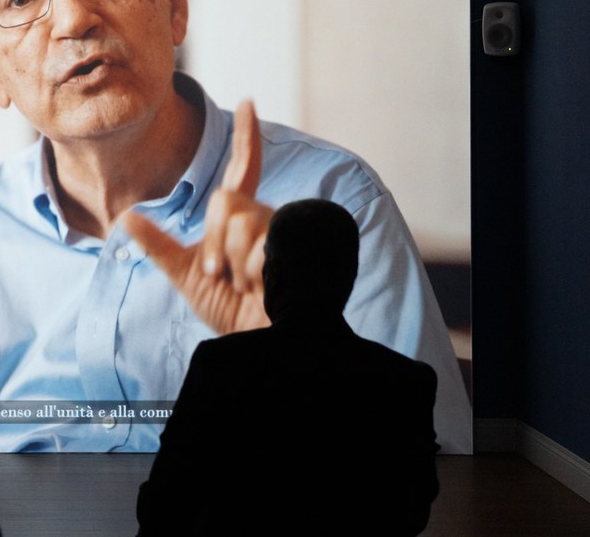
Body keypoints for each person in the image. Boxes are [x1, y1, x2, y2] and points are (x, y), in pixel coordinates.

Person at [0, 0, 471, 454]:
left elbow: (437, 466)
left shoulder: (330, 200)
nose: (73, 19)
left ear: (173, 4)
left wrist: (292, 356)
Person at [135, 198, 440, 536]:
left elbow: (165, 502)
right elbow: (412, 513)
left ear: (273, 274)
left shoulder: (222, 365)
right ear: (351, 275)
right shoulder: (406, 381)